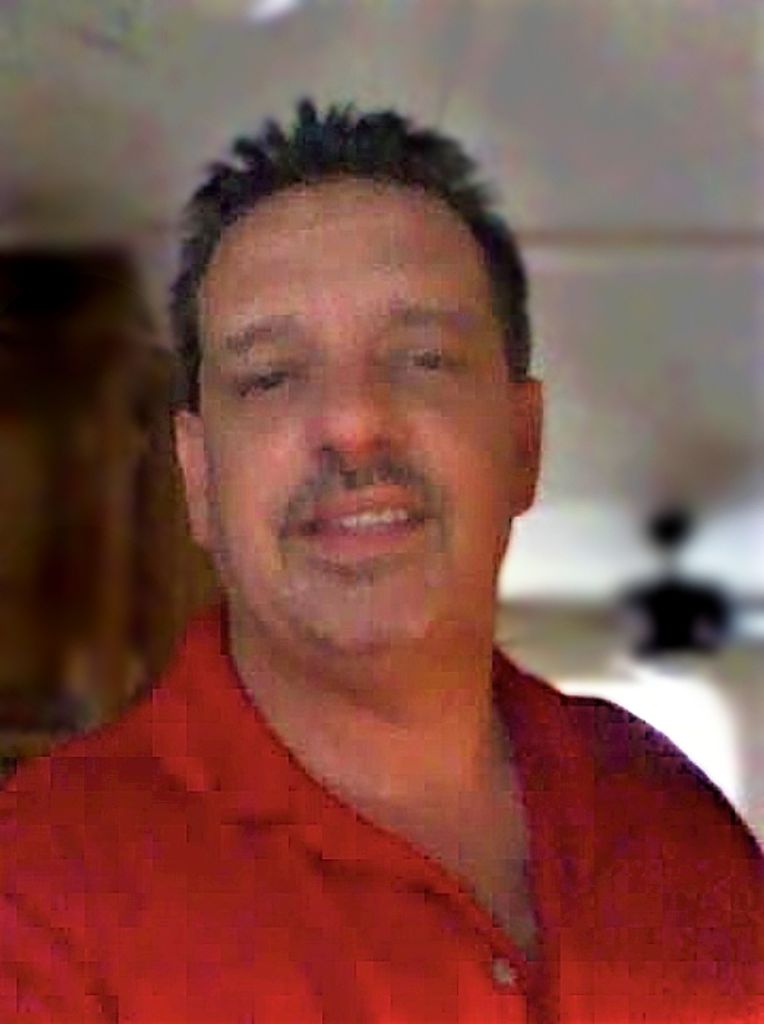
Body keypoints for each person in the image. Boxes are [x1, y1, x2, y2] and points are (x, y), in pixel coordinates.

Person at [0, 99, 761, 1024]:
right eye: (271, 376)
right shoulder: (36, 890)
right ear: (197, 478)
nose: (354, 423)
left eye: (423, 359)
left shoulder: (674, 818)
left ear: (522, 444)